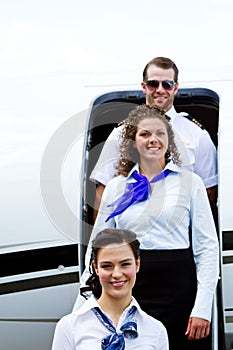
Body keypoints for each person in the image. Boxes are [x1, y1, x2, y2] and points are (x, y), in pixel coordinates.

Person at [74, 105, 219, 350]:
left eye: (160, 134)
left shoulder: (190, 183)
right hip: (128, 287)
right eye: (145, 134)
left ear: (169, 139)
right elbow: (98, 246)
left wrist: (202, 308)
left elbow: (207, 249)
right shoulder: (116, 187)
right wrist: (86, 297)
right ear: (133, 141)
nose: (153, 140)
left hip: (179, 289)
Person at [91, 56, 218, 221]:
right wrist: (103, 242)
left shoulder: (197, 135)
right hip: (130, 233)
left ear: (176, 88)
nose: (160, 90)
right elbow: (103, 192)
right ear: (144, 87)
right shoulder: (120, 134)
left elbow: (209, 194)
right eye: (153, 84)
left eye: (167, 84)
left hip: (177, 234)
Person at [51, 228, 169, 350]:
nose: (117, 274)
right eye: (107, 266)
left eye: (125, 264)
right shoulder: (69, 326)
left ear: (137, 264)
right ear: (96, 268)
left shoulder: (155, 330)